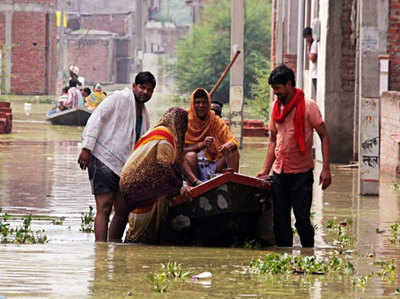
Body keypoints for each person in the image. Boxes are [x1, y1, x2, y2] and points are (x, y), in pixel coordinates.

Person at [256, 64, 331, 248]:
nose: (276, 93)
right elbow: (273, 141)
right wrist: (265, 171)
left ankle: (308, 255)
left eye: (278, 89)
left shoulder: (308, 106)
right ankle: (285, 258)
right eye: (273, 89)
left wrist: (326, 169)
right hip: (280, 173)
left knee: (302, 219)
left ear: (289, 84)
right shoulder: (275, 107)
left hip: (302, 173)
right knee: (280, 221)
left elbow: (324, 136)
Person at [77, 71, 156, 242]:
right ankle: (101, 250)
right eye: (142, 87)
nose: (145, 92)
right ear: (134, 86)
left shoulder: (145, 115)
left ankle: (114, 246)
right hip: (102, 157)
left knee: (122, 210)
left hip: (125, 166)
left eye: (149, 90)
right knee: (104, 208)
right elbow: (97, 118)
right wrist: (86, 148)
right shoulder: (119, 98)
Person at [108, 107, 191, 243]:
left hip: (125, 178)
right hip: (141, 183)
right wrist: (180, 186)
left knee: (120, 217)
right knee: (139, 233)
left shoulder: (153, 132)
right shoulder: (166, 139)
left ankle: (109, 250)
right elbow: (163, 166)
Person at [182, 88, 239, 186]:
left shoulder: (215, 120)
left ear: (208, 104)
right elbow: (179, 150)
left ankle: (233, 185)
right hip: (193, 169)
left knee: (233, 151)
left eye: (204, 102)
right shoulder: (185, 121)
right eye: (197, 102)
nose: (201, 106)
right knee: (190, 156)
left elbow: (232, 140)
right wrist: (201, 145)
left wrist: (228, 145)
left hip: (214, 165)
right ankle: (195, 185)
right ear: (192, 104)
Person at [303, 27, 318, 99]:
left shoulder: (314, 44)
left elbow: (313, 58)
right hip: (314, 74)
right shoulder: (313, 44)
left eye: (307, 37)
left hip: (316, 74)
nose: (307, 40)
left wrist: (308, 49)